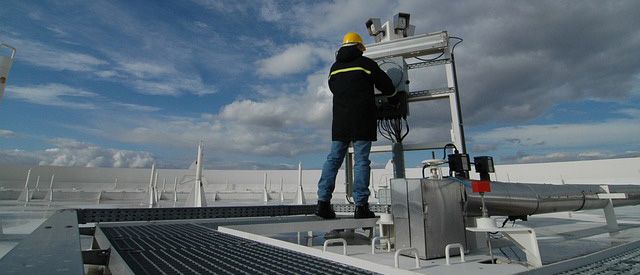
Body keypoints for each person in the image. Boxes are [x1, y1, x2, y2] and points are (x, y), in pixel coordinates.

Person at [316, 32, 395, 219]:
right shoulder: (366, 64)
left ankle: (322, 203)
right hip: (363, 120)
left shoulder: (334, 68)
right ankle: (361, 207)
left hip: (340, 122)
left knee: (333, 160)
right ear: (359, 47)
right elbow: (389, 88)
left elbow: (333, 88)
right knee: (361, 161)